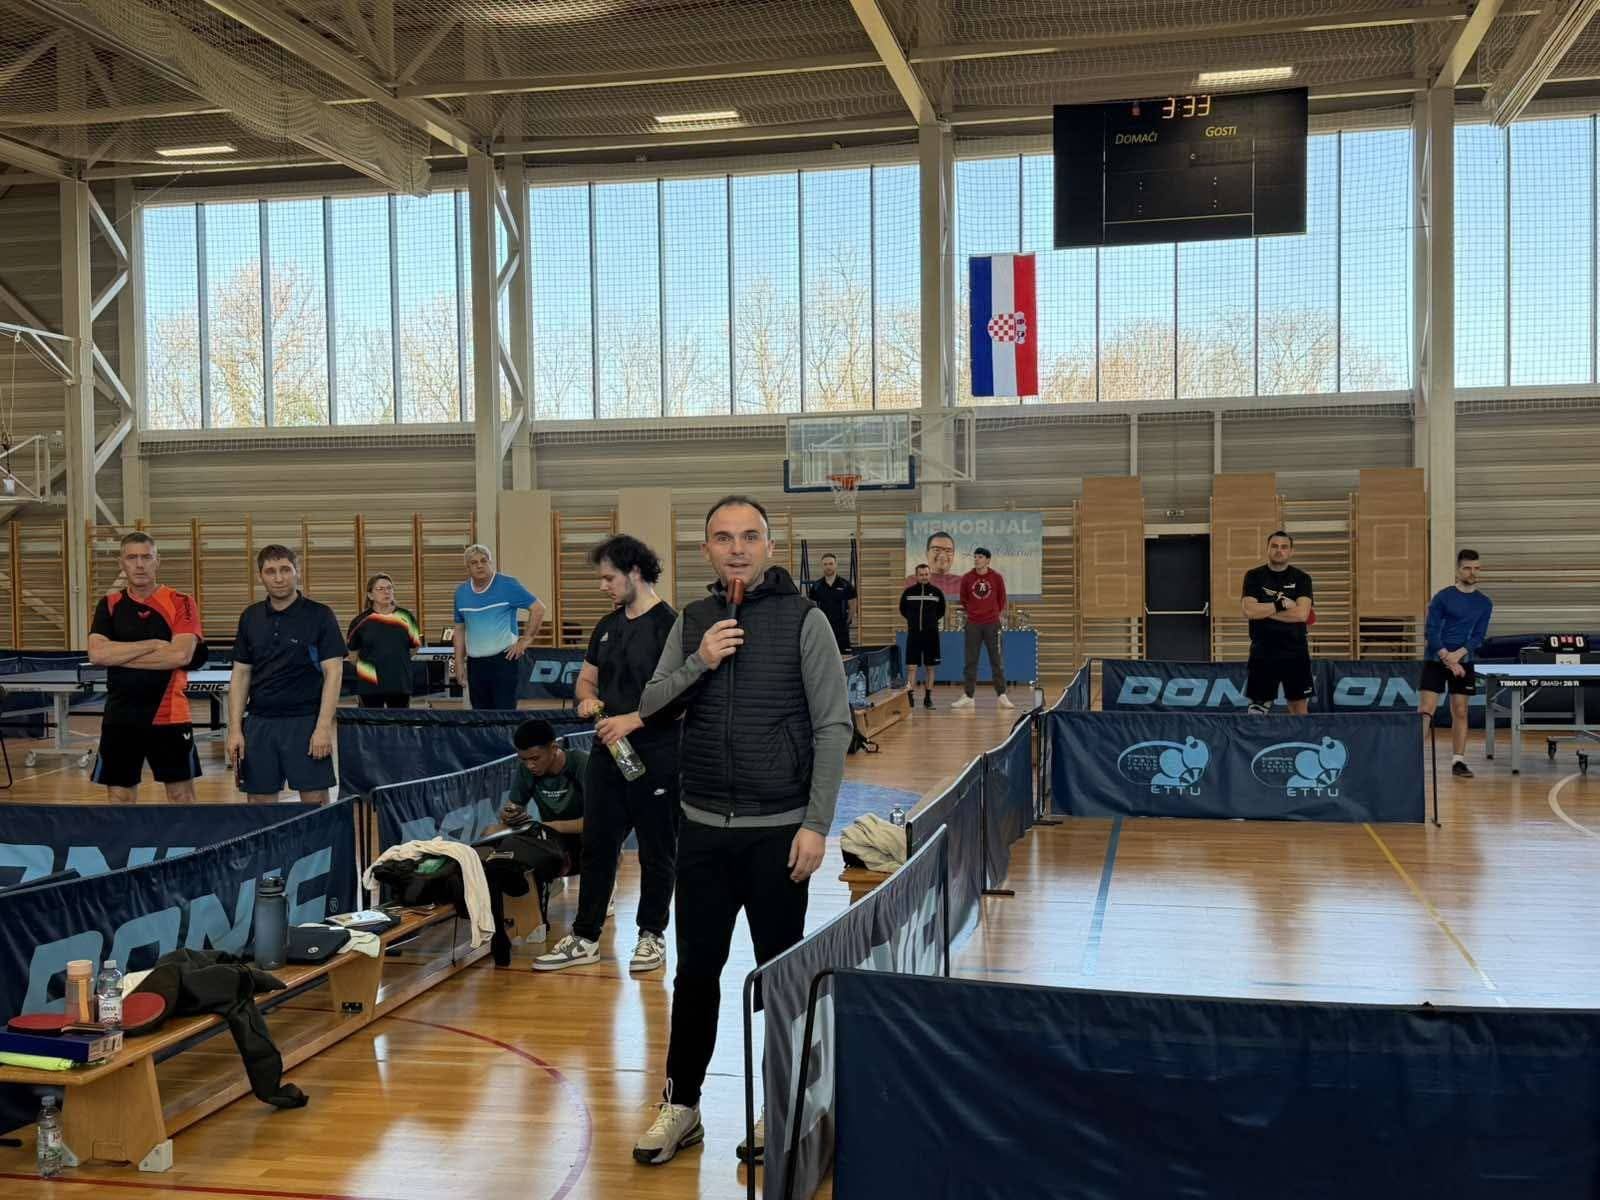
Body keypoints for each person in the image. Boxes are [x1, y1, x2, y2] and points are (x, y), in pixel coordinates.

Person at [631, 495, 850, 1168]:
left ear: (769, 547)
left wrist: (816, 824)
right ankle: (683, 1104)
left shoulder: (805, 619)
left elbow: (833, 725)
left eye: (749, 536)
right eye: (723, 538)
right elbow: (650, 705)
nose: (737, 548)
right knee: (695, 976)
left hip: (778, 833)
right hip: (701, 831)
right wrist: (700, 660)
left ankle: (782, 1101)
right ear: (707, 550)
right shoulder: (694, 620)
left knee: (781, 979)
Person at [535, 534, 682, 975]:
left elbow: (681, 698)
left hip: (657, 754)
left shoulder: (671, 627)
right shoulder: (606, 626)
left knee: (657, 850)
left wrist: (633, 720)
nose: (603, 586)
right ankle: (585, 936)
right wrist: (586, 700)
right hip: (607, 754)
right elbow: (586, 680)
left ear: (635, 573)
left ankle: (651, 935)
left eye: (609, 578)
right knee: (597, 846)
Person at [86, 532, 206, 803]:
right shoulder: (109, 604)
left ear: (157, 561)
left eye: (146, 557)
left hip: (169, 714)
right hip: (120, 716)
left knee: (181, 796)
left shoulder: (181, 601)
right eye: (132, 557)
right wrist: (152, 644)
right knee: (120, 797)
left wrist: (118, 654)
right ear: (122, 563)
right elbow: (97, 653)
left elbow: (180, 655)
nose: (139, 564)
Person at [226, 545, 346, 804]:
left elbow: (334, 672)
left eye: (285, 570)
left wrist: (323, 727)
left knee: (315, 802)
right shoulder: (250, 617)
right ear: (260, 576)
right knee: (259, 803)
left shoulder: (320, 615)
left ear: (297, 571)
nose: (279, 578)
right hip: (259, 724)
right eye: (270, 571)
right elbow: (241, 674)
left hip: (305, 722)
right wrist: (235, 729)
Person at [484, 719, 590, 967]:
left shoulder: (582, 764)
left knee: (598, 836)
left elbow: (596, 821)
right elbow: (513, 806)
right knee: (491, 832)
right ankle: (525, 914)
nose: (530, 765)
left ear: (554, 748)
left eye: (535, 758)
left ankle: (605, 880)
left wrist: (547, 826)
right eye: (523, 760)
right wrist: (509, 814)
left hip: (586, 834)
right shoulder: (527, 770)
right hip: (553, 838)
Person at [1420, 549, 1493, 778]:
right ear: (1458, 570)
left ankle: (1458, 761)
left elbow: (1478, 636)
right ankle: (1412, 757)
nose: (1473, 572)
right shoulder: (1442, 597)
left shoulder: (1484, 603)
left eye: (1476, 568)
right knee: (1426, 710)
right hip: (1436, 658)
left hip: (1464, 660)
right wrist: (1447, 657)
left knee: (1460, 710)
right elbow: (1431, 631)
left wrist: (1457, 656)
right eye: (1467, 568)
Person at [453, 544, 546, 711]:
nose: (480, 565)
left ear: (491, 563)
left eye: (484, 561)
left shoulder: (508, 585)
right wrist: (459, 663)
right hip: (475, 664)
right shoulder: (461, 593)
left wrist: (525, 640)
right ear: (468, 567)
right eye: (474, 562)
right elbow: (459, 629)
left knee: (504, 714)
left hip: (504, 661)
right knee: (480, 716)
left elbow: (538, 609)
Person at [1240, 530, 1315, 715]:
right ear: (1267, 549)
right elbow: (1249, 611)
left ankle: (1301, 736)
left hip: (1295, 652)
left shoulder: (1302, 578)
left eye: (1284, 547)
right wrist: (1281, 605)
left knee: (1299, 708)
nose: (1279, 550)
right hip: (1262, 651)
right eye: (1274, 546)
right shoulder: (1254, 576)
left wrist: (1264, 610)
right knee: (1257, 709)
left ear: (1291, 551)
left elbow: (1302, 615)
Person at [346, 573, 422, 709]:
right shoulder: (360, 621)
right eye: (380, 589)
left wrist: (395, 661)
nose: (386, 592)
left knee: (400, 721)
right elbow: (352, 656)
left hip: (399, 683)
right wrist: (371, 668)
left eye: (389, 588)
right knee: (371, 722)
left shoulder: (406, 617)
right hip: (370, 685)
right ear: (370, 595)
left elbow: (414, 647)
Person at [952, 548, 1012, 710]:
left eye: (980, 557)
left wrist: (992, 614)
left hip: (992, 624)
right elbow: (964, 599)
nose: (977, 559)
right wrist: (974, 612)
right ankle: (968, 696)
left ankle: (1002, 695)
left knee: (996, 661)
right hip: (973, 624)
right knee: (970, 661)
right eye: (975, 557)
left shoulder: (996, 577)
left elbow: (1001, 599)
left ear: (987, 560)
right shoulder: (967, 578)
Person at [899, 562, 947, 709]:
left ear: (930, 574)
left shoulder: (937, 592)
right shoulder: (908, 592)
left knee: (930, 668)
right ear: (916, 576)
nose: (924, 577)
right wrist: (913, 622)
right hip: (914, 635)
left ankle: (928, 698)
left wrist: (930, 622)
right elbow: (903, 610)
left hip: (931, 636)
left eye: (926, 574)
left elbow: (941, 611)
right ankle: (910, 698)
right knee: (911, 668)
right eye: (921, 575)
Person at [807, 552, 858, 652]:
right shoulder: (816, 586)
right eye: (825, 564)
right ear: (822, 566)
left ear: (836, 565)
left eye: (831, 564)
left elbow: (853, 606)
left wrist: (846, 622)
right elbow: (812, 607)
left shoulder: (846, 585)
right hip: (823, 629)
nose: (828, 567)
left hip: (841, 631)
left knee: (843, 656)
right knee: (823, 655)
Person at [904, 530, 963, 597]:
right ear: (927, 553)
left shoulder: (963, 582)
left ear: (953, 555)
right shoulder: (912, 581)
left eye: (948, 551)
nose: (942, 555)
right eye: (936, 550)